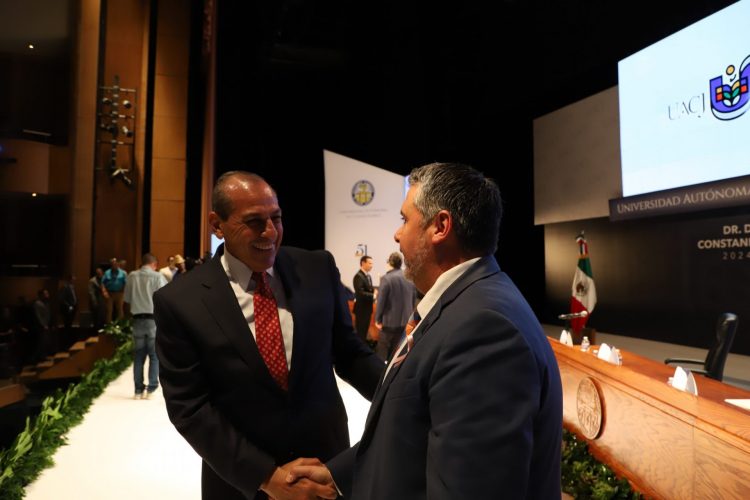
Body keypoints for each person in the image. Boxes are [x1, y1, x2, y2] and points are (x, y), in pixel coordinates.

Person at [287, 162, 564, 498]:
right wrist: (336, 475)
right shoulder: (466, 305)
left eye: (405, 219)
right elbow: (411, 430)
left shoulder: (484, 330)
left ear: (440, 227)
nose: (397, 234)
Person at [153, 171, 383, 500]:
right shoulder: (180, 301)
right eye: (254, 222)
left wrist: (403, 394)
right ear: (217, 225)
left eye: (276, 218)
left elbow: (350, 354)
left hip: (325, 473)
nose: (271, 232)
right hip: (240, 485)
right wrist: (267, 477)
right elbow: (189, 407)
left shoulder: (317, 268)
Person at [124, 253, 168, 399]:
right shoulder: (158, 277)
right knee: (154, 355)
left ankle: (138, 390)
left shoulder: (131, 276)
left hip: (137, 319)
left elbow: (127, 299)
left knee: (138, 356)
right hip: (153, 320)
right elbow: (164, 299)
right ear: (154, 264)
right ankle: (151, 389)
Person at [373, 251, 416, 361]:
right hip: (405, 321)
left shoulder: (386, 278)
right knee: (397, 353)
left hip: (389, 322)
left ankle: (381, 372)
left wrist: (378, 319)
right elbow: (413, 299)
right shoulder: (409, 277)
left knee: (382, 353)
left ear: (390, 263)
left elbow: (381, 301)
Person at [352, 255, 375, 342]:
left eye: (372, 263)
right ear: (363, 263)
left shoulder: (368, 276)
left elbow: (369, 289)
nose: (371, 265)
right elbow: (360, 293)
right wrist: (374, 295)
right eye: (370, 263)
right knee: (361, 334)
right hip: (361, 310)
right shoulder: (358, 276)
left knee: (364, 333)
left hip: (367, 310)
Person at [102, 258, 127, 323]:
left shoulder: (123, 273)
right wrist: (104, 292)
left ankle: (120, 325)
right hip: (109, 293)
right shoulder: (107, 272)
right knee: (109, 310)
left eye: (115, 264)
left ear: (118, 264)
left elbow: (126, 283)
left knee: (120, 310)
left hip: (120, 293)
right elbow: (102, 283)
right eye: (112, 264)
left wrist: (123, 291)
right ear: (111, 265)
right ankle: (108, 325)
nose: (114, 265)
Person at [88, 267, 106, 331]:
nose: (100, 274)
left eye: (100, 273)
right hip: (96, 301)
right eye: (98, 273)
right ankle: (95, 331)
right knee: (96, 318)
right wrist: (94, 302)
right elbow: (91, 292)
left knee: (103, 317)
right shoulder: (92, 281)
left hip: (103, 301)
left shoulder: (104, 280)